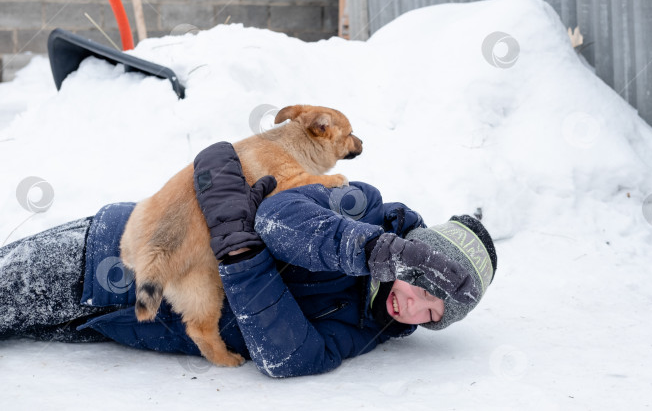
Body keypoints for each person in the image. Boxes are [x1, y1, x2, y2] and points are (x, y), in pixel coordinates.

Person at [0, 142, 498, 378]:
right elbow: (282, 214)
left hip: (135, 323)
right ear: (414, 260)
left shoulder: (367, 326)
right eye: (423, 292)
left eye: (433, 315)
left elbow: (291, 357)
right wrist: (374, 250)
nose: (415, 311)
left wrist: (240, 256)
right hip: (120, 252)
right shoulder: (362, 205)